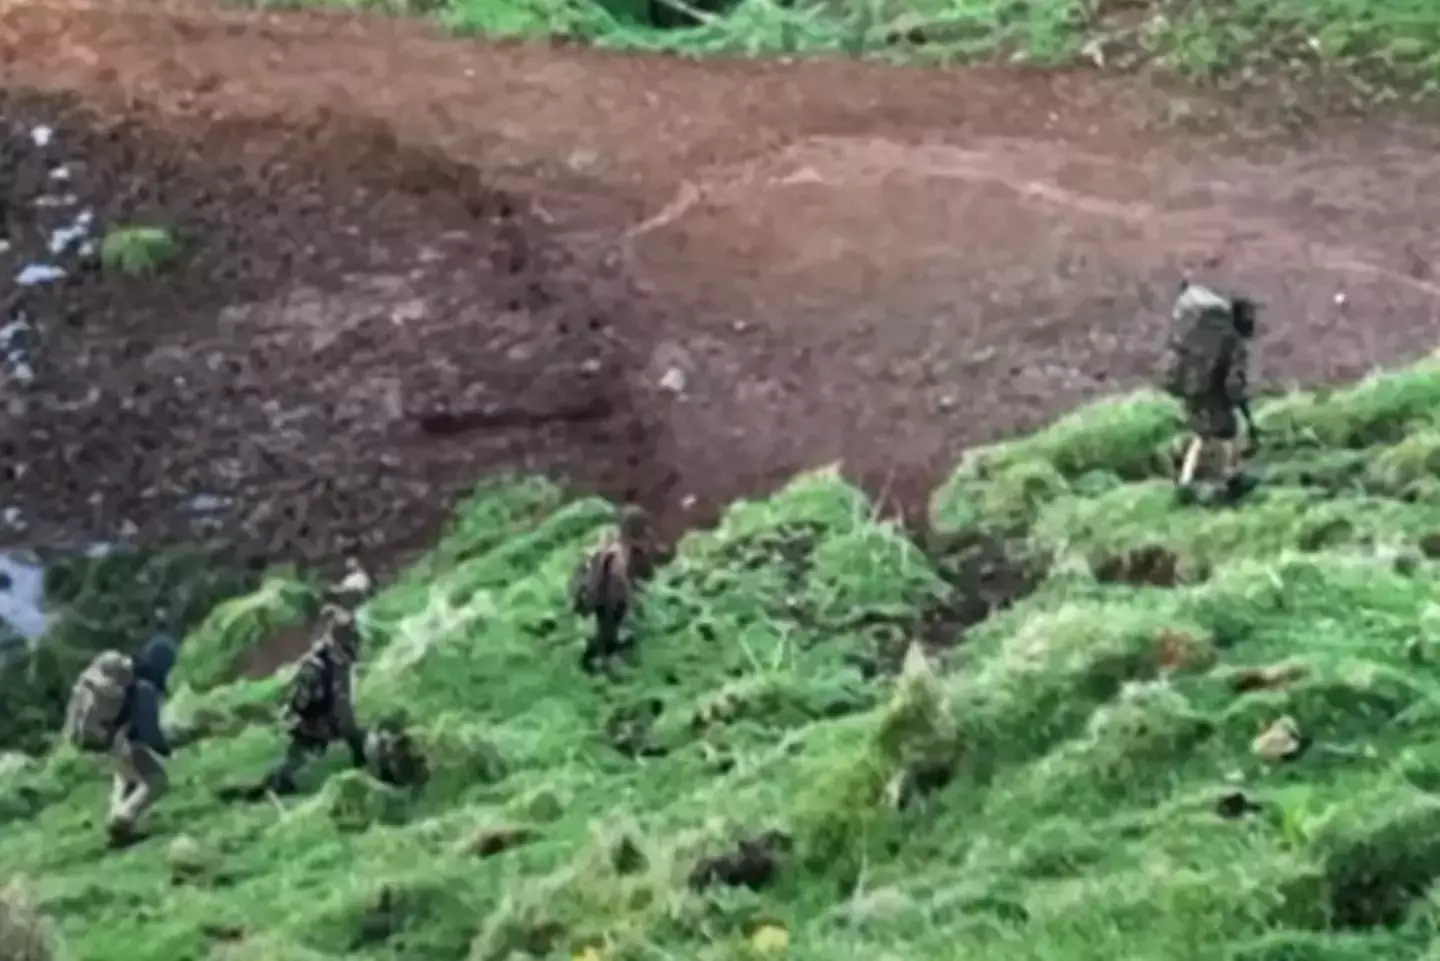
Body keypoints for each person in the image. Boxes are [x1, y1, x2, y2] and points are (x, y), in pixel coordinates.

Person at [62, 633, 178, 846]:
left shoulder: (96, 680)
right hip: (121, 740)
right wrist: (168, 749)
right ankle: (123, 817)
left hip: (95, 739)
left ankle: (117, 818)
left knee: (126, 775)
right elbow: (150, 734)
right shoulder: (144, 690)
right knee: (156, 780)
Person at [1159, 279, 1261, 503]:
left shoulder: (1213, 337)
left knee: (1202, 435)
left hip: (1195, 388)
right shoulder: (1234, 344)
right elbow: (1234, 383)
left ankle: (1187, 480)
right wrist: (1241, 405)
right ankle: (1230, 478)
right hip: (1214, 396)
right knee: (1230, 434)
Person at [570, 505, 653, 673]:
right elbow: (617, 583)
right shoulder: (618, 555)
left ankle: (600, 656)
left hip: (603, 597)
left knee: (606, 631)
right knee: (607, 631)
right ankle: (601, 661)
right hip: (609, 600)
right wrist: (624, 601)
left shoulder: (613, 547)